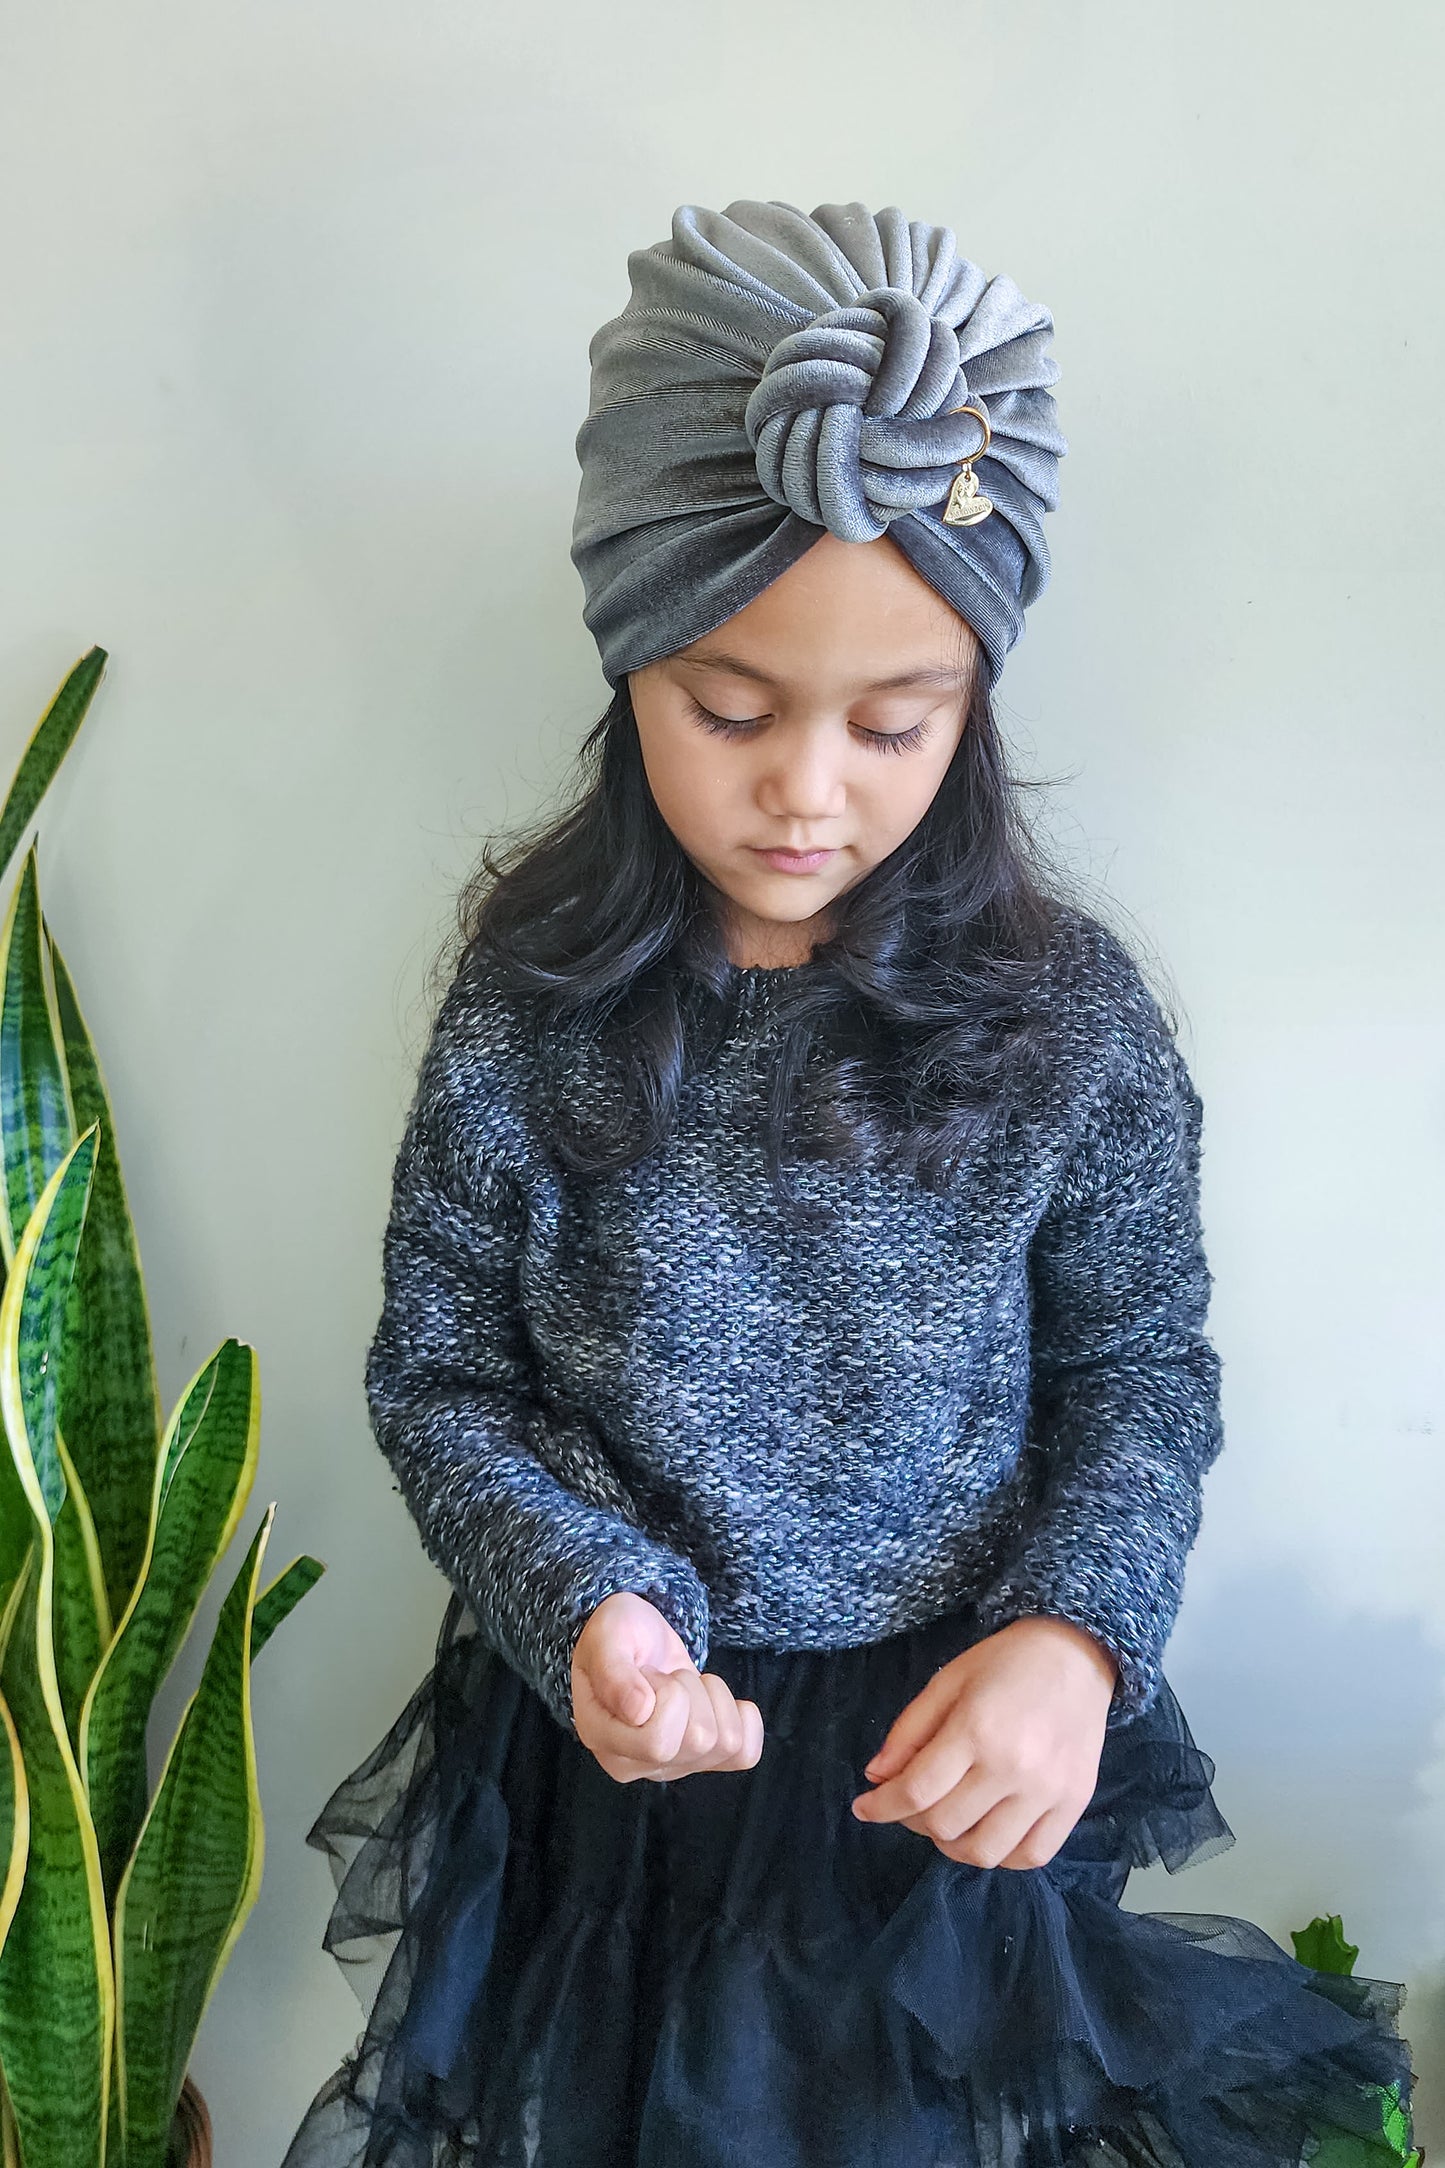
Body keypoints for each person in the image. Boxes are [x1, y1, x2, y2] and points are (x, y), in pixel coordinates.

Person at [281, 199, 1419, 2168]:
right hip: (607, 1785)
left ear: (975, 699)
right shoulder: (529, 1014)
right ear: (631, 654)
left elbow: (1140, 1380)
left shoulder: (1068, 1031)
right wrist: (585, 1610)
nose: (808, 790)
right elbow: (443, 1378)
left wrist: (1074, 1640)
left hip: (941, 1786)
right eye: (732, 709)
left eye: (897, 722)